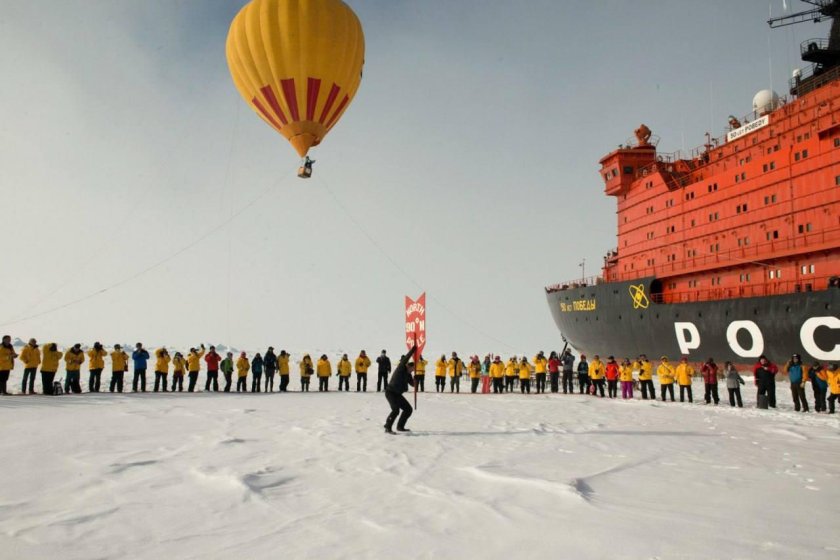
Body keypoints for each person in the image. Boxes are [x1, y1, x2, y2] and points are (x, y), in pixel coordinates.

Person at [384, 343, 417, 433]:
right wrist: (413, 350)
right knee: (395, 410)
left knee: (408, 409)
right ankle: (388, 427)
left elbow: (413, 385)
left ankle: (400, 427)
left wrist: (415, 380)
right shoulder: (401, 368)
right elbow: (406, 358)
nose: (412, 371)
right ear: (408, 366)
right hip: (390, 392)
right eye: (412, 369)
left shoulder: (408, 375)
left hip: (398, 394)